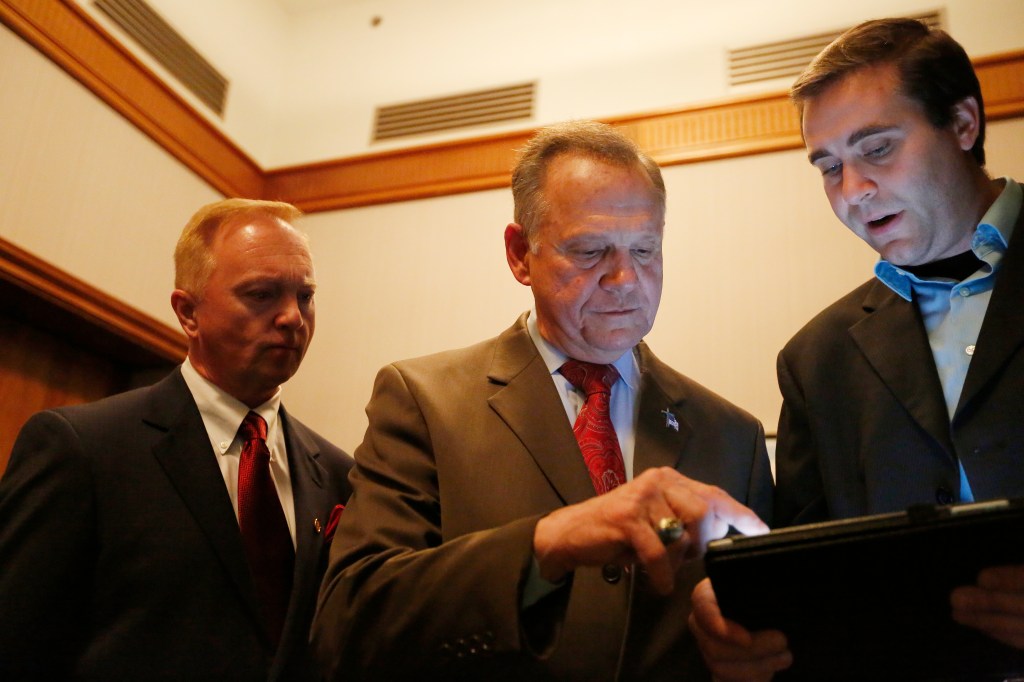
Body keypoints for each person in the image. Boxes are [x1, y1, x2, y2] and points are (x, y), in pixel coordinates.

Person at [311, 120, 773, 681]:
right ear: (519, 254)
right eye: (590, 250)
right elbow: (349, 627)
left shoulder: (734, 436)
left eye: (646, 249)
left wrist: (744, 644)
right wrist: (546, 544)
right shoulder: (423, 402)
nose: (625, 279)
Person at [690, 18, 1024, 680]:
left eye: (877, 149)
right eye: (829, 166)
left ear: (963, 123)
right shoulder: (817, 360)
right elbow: (811, 578)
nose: (852, 191)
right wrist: (735, 605)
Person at [0, 198, 354, 680]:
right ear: (189, 313)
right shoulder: (82, 449)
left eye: (305, 296)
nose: (293, 317)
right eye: (262, 294)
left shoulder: (339, 474)